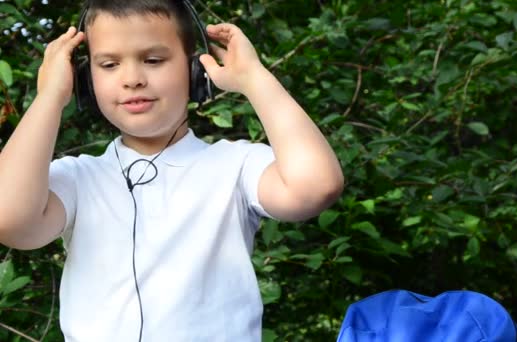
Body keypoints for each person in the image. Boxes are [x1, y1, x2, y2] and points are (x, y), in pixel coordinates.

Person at [0, 0, 344, 341]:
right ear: (86, 83)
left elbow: (315, 187)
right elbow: (10, 220)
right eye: (109, 64)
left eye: (153, 60)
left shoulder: (235, 167)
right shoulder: (77, 179)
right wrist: (50, 97)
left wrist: (254, 78)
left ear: (196, 71)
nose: (132, 79)